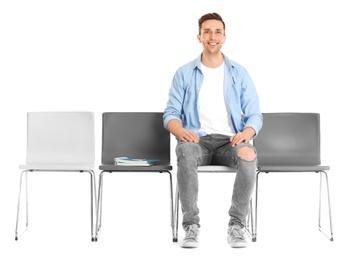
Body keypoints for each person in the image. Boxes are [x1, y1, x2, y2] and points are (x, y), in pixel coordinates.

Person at [163, 12, 262, 248]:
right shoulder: (184, 73)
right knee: (185, 152)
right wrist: (180, 132)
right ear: (199, 37)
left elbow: (255, 114)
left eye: (217, 31)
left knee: (250, 155)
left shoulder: (239, 73)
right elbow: (170, 114)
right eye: (207, 31)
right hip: (198, 141)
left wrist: (247, 133)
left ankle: (237, 225)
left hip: (232, 142)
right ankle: (191, 226)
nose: (212, 36)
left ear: (224, 37)